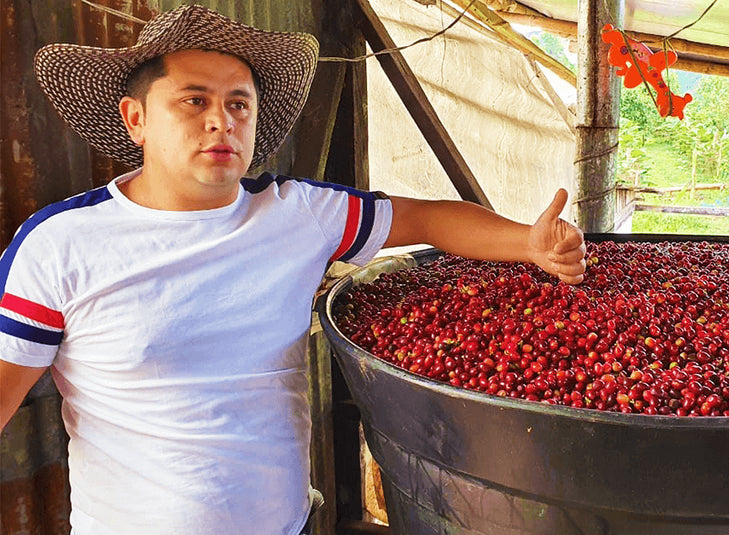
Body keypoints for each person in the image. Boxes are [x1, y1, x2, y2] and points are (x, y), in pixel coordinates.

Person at [0, 5, 585, 535]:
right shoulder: (60, 246)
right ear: (136, 118)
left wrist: (527, 242)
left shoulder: (295, 213)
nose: (220, 122)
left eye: (238, 104)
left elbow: (426, 219)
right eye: (193, 100)